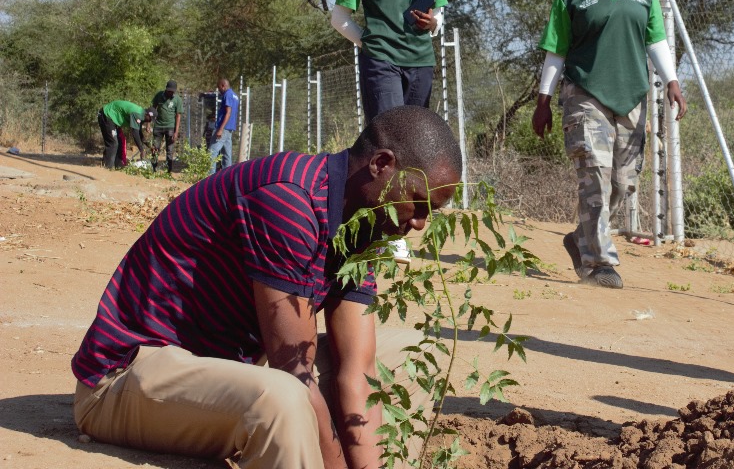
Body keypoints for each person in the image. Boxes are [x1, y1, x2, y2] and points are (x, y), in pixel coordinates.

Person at [71, 105, 462, 469]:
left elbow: (357, 370)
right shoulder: (289, 200)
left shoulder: (364, 224)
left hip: (231, 368)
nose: (420, 224)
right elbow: (295, 373)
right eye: (418, 203)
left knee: (415, 353)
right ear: (381, 164)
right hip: (129, 378)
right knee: (285, 399)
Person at [531, 0, 687, 289]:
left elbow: (655, 40)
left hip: (631, 95)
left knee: (622, 182)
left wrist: (672, 81)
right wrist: (543, 99)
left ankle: (580, 239)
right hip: (585, 94)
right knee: (594, 175)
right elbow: (556, 49)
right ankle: (600, 263)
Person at [330, 0, 449, 266]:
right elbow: (339, 17)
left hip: (421, 60)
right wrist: (368, 42)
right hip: (381, 58)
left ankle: (399, 220)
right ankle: (382, 231)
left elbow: (440, 16)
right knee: (388, 141)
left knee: (414, 144)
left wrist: (432, 23)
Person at [98, 100, 154, 170]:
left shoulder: (142, 115)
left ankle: (119, 167)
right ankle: (106, 167)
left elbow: (139, 133)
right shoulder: (137, 114)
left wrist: (149, 145)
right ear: (147, 115)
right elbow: (135, 133)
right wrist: (141, 150)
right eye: (150, 119)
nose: (150, 121)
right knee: (113, 143)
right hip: (107, 115)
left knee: (120, 142)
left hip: (113, 119)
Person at [150, 79, 184, 173]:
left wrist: (176, 132)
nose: (170, 93)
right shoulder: (159, 95)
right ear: (166, 89)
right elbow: (153, 109)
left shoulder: (177, 99)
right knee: (155, 147)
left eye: (172, 91)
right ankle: (154, 168)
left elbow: (178, 116)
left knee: (170, 149)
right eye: (169, 91)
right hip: (158, 126)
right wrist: (149, 123)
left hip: (170, 127)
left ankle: (169, 170)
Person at [208, 77, 240, 175]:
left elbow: (228, 113)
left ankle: (210, 178)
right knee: (227, 155)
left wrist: (220, 129)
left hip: (224, 128)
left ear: (223, 86)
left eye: (219, 88)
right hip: (230, 128)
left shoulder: (227, 94)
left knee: (211, 152)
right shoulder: (235, 95)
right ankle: (227, 177)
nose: (219, 91)